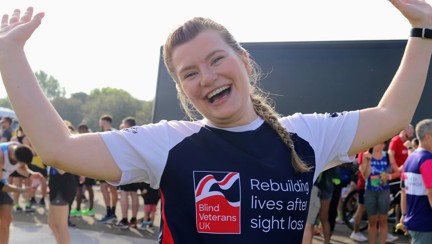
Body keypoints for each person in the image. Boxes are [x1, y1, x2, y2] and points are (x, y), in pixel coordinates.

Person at [0, 1, 431, 242]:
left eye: (216, 59)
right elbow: (58, 149)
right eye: (189, 73)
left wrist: (423, 30)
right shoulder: (166, 144)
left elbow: (392, 116)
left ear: (243, 60)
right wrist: (10, 56)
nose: (206, 77)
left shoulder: (306, 135)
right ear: (182, 88)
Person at [0, 142, 42, 244]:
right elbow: (1, 186)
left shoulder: (20, 149)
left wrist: (31, 175)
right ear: (14, 157)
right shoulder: (1, 155)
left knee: (6, 220)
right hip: (2, 184)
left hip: (2, 184)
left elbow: (22, 168)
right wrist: (21, 190)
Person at [399, 119, 432, 243]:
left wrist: (403, 215)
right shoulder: (428, 159)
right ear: (428, 137)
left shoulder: (410, 158)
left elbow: (403, 190)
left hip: (412, 222)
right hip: (426, 224)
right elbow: (431, 192)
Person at [359, 143, 400, 244]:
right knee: (372, 221)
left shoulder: (387, 155)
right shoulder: (366, 155)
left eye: (383, 143)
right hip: (370, 190)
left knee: (383, 220)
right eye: (379, 143)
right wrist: (368, 161)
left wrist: (389, 177)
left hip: (384, 191)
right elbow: (365, 176)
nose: (382, 145)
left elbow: (398, 172)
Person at [47, 121, 78, 243]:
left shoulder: (67, 148)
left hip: (63, 187)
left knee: (61, 225)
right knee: (51, 223)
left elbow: (61, 170)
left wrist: (50, 153)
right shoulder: (61, 147)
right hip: (56, 186)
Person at [114, 117, 140, 229]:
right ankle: (134, 220)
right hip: (137, 168)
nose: (122, 126)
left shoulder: (124, 135)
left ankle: (124, 220)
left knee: (124, 193)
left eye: (124, 124)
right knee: (134, 194)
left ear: (128, 125)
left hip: (126, 167)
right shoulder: (140, 134)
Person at [70, 124, 96, 218]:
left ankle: (80, 210)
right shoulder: (91, 139)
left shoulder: (78, 139)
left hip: (82, 167)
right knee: (86, 189)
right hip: (86, 167)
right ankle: (87, 209)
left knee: (82, 188)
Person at [97, 114, 118, 224]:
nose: (99, 123)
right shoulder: (101, 133)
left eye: (100, 121)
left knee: (112, 189)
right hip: (103, 166)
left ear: (103, 121)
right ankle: (109, 212)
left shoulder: (113, 132)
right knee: (104, 188)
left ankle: (112, 213)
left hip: (111, 165)